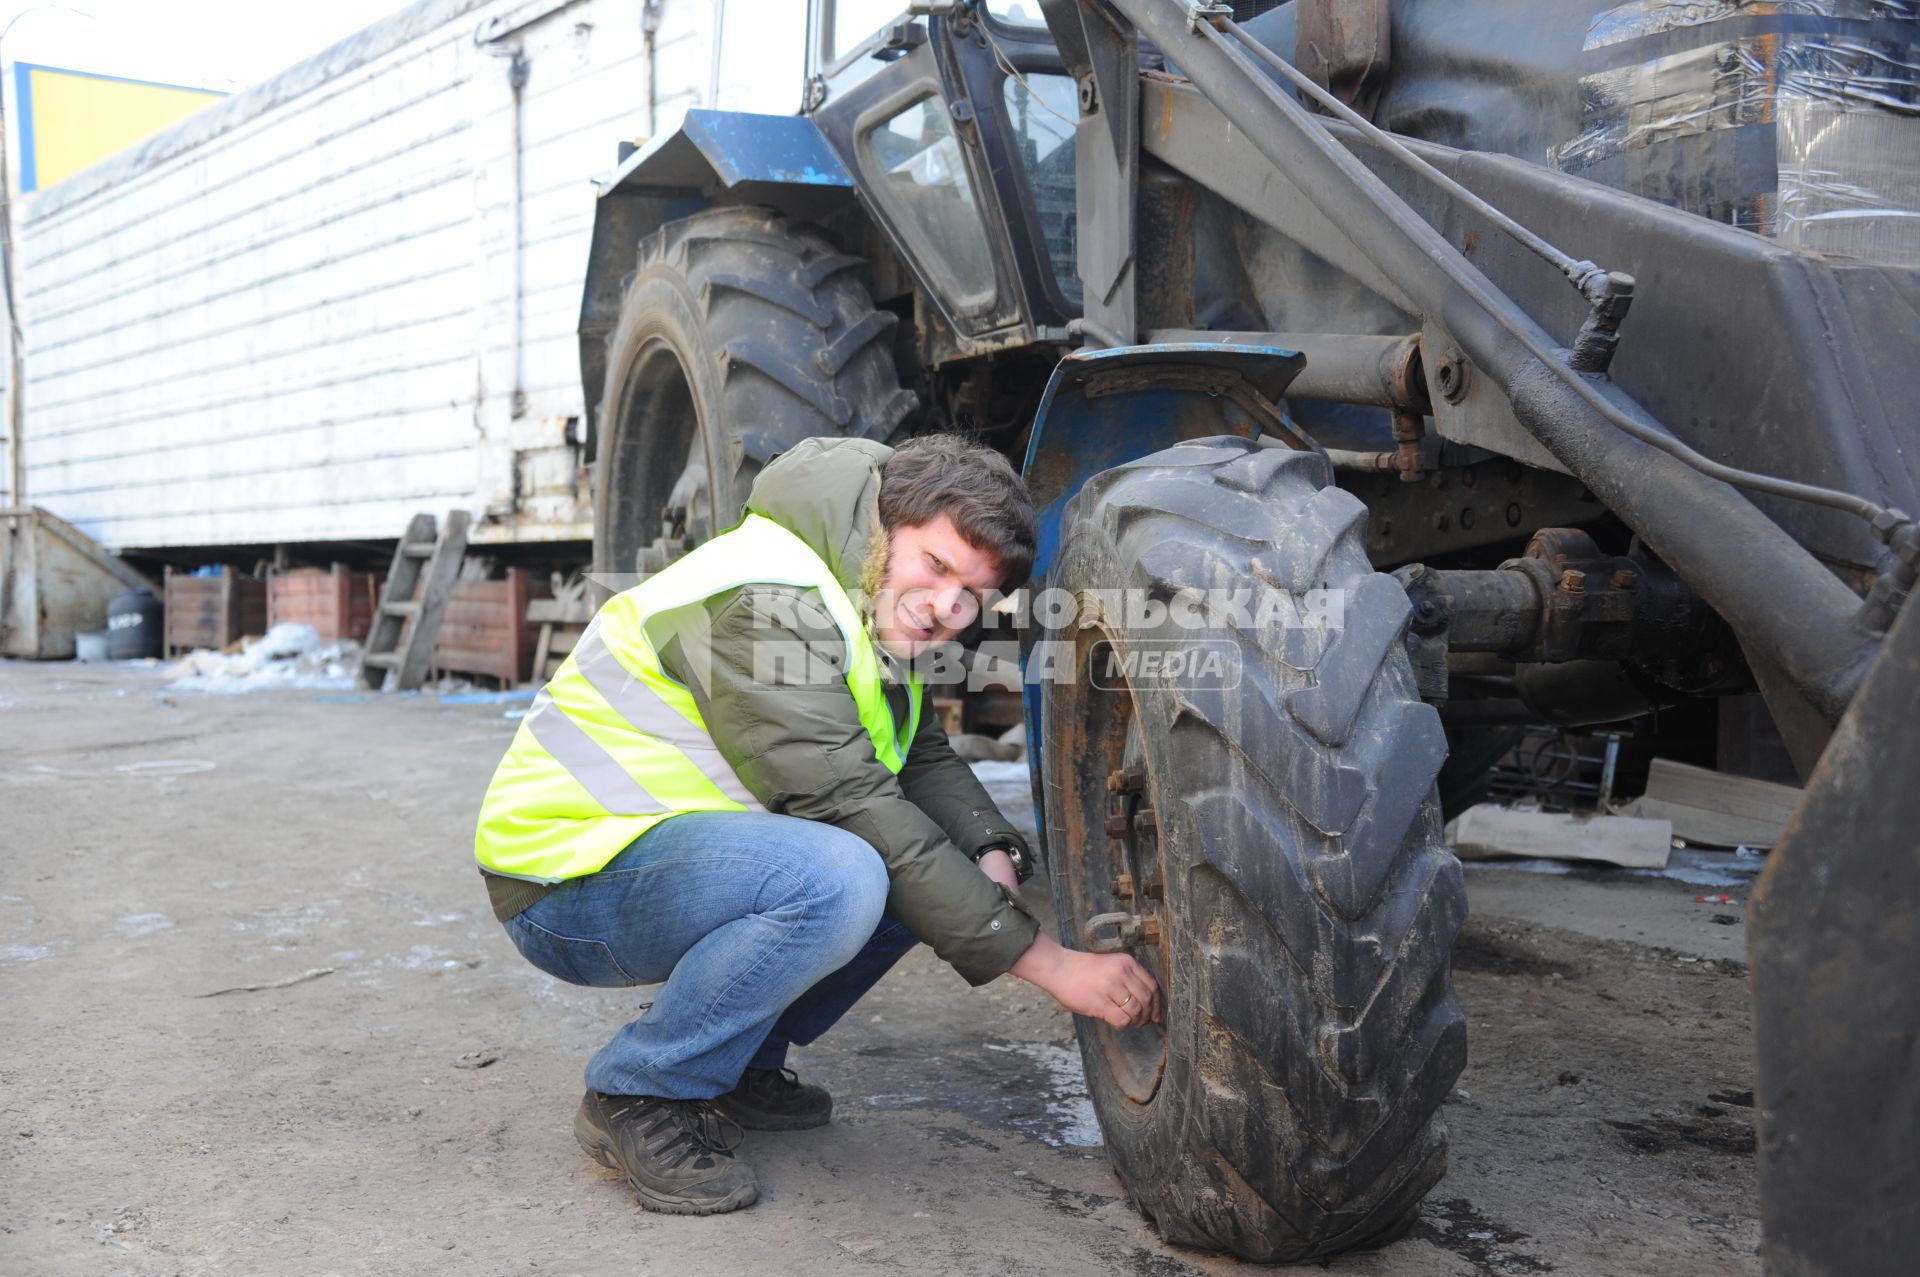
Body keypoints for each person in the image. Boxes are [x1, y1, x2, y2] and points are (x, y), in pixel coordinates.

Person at [473, 434, 1159, 1216]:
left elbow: (914, 751)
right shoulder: (766, 599)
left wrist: (989, 848)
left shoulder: (853, 591)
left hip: (660, 850)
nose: (946, 607)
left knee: (922, 877)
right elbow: (851, 802)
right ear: (884, 527)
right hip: (564, 877)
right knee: (845, 874)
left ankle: (735, 1064)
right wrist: (1047, 961)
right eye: (935, 565)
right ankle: (641, 1090)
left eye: (971, 594)